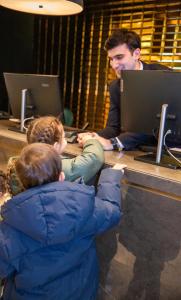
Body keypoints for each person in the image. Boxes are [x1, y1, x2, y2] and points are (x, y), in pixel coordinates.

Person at [0, 142, 125, 300]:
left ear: (23, 182)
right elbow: (112, 212)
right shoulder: (85, 208)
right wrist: (110, 177)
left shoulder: (12, 225)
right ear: (61, 176)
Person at [78, 28, 170, 151]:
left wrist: (114, 143)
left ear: (136, 54)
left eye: (119, 57)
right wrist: (95, 136)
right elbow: (113, 127)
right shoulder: (115, 86)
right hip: (134, 152)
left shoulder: (162, 76)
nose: (114, 65)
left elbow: (153, 127)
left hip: (167, 154)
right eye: (111, 59)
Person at [7, 116, 105, 196]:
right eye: (63, 137)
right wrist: (90, 140)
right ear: (55, 146)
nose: (65, 140)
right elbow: (94, 158)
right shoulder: (55, 168)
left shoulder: (20, 164)